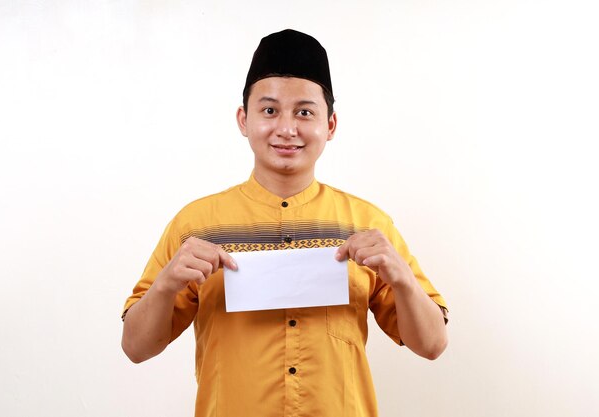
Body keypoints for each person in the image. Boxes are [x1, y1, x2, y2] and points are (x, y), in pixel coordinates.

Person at [122, 29, 448, 417]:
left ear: (330, 125)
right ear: (244, 119)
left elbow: (432, 344)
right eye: (270, 110)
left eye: (304, 112)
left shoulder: (367, 224)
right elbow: (135, 348)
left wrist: (402, 280)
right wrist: (167, 284)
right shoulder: (196, 225)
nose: (287, 128)